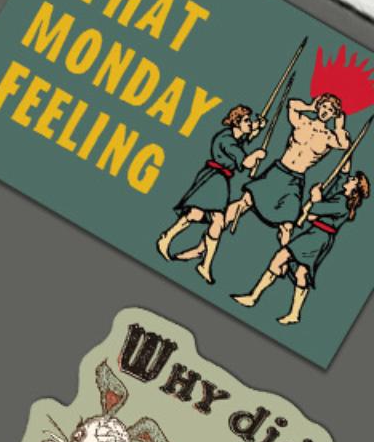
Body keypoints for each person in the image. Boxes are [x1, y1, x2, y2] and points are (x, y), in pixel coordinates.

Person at [235, 171, 367, 324]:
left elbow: (316, 209)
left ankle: (254, 297)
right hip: (315, 234)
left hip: (318, 237)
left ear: (355, 188)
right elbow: (338, 180)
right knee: (301, 273)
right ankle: (294, 314)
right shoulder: (340, 197)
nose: (349, 179)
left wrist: (315, 198)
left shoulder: (342, 203)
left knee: (281, 257)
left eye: (353, 179)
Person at [157, 105, 265, 281]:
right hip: (214, 178)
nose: (249, 123)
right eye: (247, 121)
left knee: (196, 214)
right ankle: (204, 264)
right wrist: (257, 155)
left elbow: (246, 139)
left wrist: (257, 128)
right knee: (217, 220)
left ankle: (170, 239)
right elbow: (246, 162)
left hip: (220, 179)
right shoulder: (227, 140)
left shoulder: (234, 137)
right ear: (236, 122)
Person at [226, 93, 349, 241]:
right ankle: (216, 231)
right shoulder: (303, 122)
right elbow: (292, 105)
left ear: (334, 114)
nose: (325, 111)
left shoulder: (329, 137)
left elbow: (344, 145)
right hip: (279, 170)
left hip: (295, 179)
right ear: (319, 105)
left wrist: (339, 127)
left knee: (287, 225)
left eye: (330, 110)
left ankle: (284, 255)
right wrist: (310, 107)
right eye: (324, 106)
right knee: (245, 201)